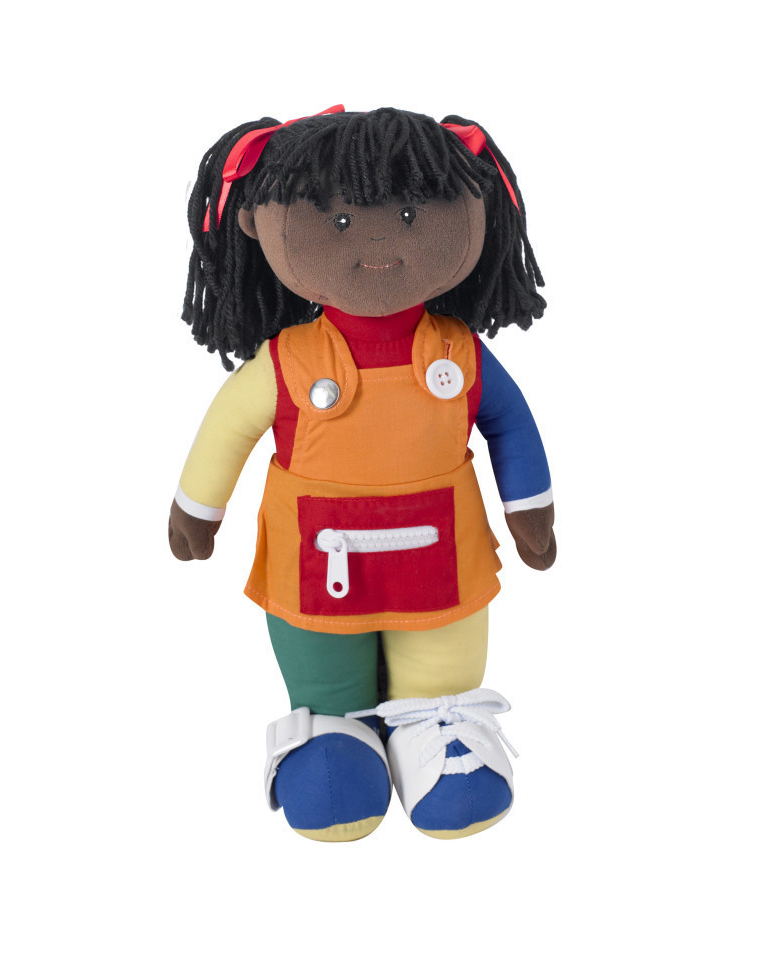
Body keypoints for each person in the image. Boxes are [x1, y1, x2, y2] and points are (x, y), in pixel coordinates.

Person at [169, 106, 556, 841]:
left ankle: (436, 722)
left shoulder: (459, 352)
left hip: (442, 564)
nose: (379, 239)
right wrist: (198, 507)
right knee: (324, 667)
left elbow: (509, 422)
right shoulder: (286, 360)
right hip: (315, 569)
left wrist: (529, 507)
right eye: (341, 222)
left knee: (442, 662)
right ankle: (334, 732)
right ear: (256, 222)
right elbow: (229, 426)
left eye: (411, 215)